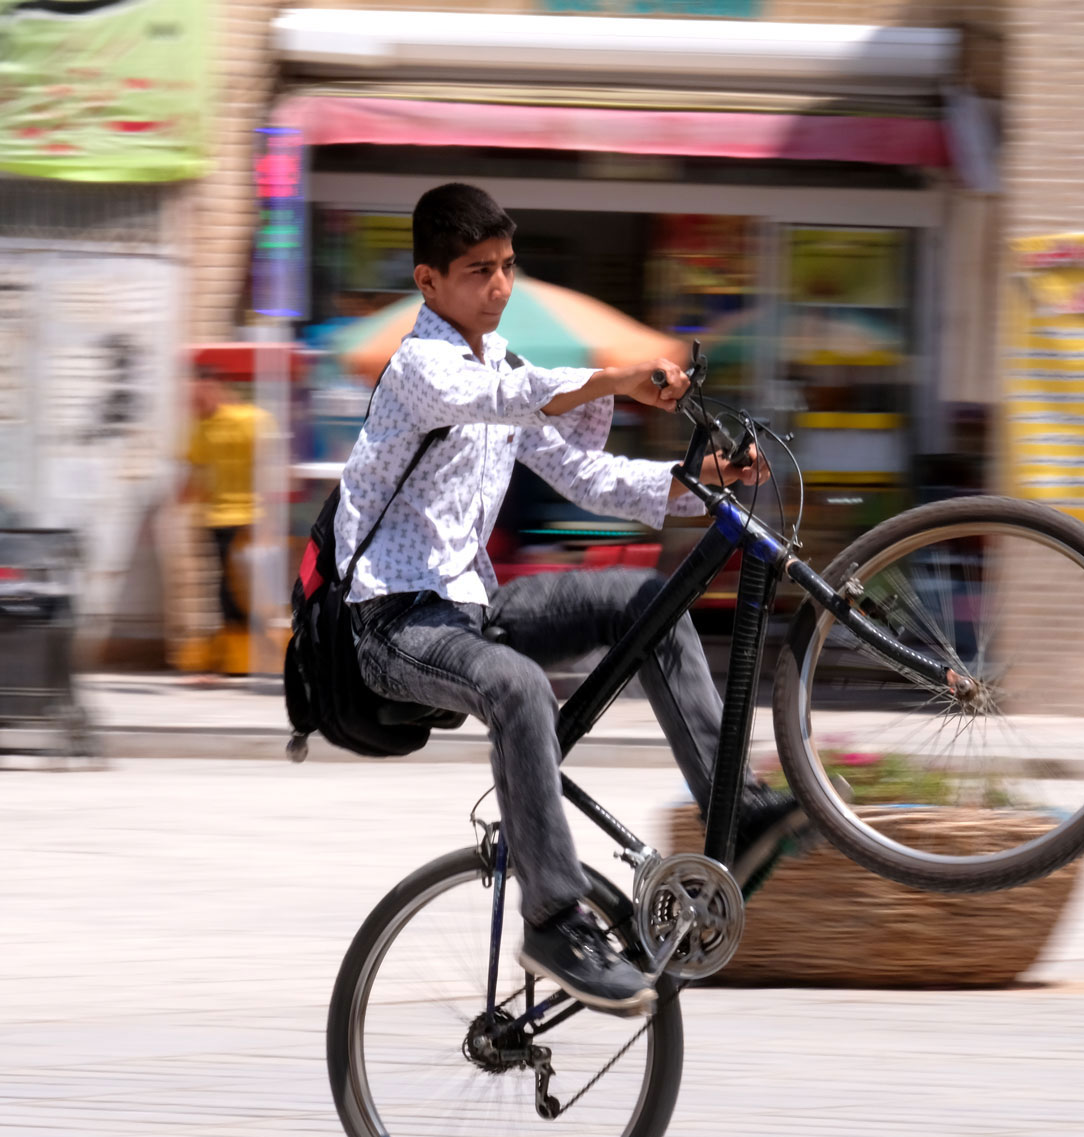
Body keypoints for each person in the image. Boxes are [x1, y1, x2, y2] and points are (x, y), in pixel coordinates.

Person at [337, 183, 809, 1017]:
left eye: (508, 266)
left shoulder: (505, 364)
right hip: (392, 623)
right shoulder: (421, 367)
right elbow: (503, 400)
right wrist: (614, 380)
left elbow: (587, 475)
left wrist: (700, 484)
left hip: (470, 610)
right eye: (478, 270)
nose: (499, 286)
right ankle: (553, 919)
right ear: (428, 281)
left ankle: (731, 803)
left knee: (644, 600)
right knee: (517, 685)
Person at [181, 357, 264, 681]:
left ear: (216, 387)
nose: (195, 402)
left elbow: (271, 465)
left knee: (236, 589)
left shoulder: (251, 419)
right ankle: (236, 656)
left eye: (200, 394)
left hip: (249, 517)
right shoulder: (201, 426)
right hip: (214, 519)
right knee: (225, 588)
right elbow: (196, 473)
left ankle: (245, 656)